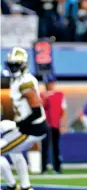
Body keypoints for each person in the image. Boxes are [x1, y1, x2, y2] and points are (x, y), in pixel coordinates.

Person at [1, 47, 48, 190]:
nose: (13, 67)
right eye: (11, 64)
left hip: (32, 129)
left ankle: (11, 185)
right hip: (27, 127)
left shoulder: (25, 82)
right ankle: (26, 186)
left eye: (16, 64)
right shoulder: (17, 80)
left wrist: (19, 124)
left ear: (23, 64)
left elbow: (36, 112)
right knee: (14, 151)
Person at [41, 75, 67, 174]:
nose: (50, 84)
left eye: (52, 82)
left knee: (56, 147)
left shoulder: (60, 95)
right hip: (44, 124)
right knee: (44, 146)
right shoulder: (41, 95)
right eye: (49, 82)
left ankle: (57, 168)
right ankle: (43, 168)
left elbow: (63, 110)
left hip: (55, 124)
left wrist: (63, 125)